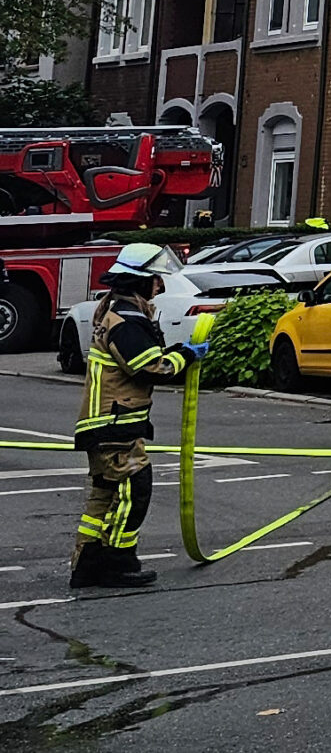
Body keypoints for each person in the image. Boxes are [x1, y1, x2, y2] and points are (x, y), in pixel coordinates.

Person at [71, 243, 204, 588]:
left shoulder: (114, 310)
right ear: (140, 282)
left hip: (103, 424)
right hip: (115, 425)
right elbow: (150, 368)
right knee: (135, 487)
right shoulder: (127, 320)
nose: (159, 286)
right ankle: (117, 562)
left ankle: (86, 563)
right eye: (155, 280)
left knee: (104, 494)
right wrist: (186, 356)